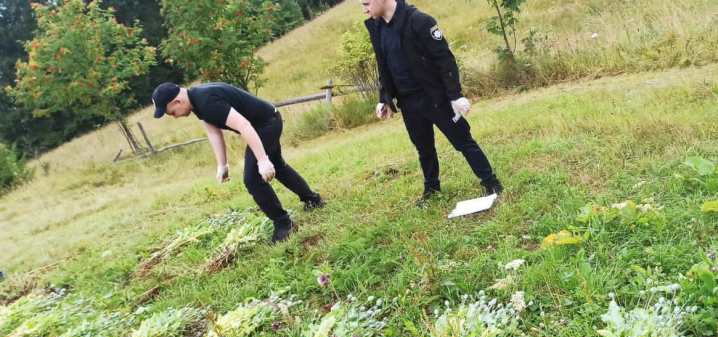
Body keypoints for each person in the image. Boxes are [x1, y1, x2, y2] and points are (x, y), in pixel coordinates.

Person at [361, 0, 503, 206]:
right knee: (423, 148)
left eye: (366, 3)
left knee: (463, 140)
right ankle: (432, 188)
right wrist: (384, 98)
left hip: (435, 98)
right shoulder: (377, 26)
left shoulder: (419, 21)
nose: (364, 10)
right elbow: (384, 64)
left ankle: (491, 183)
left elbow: (444, 59)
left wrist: (455, 95)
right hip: (407, 102)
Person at [151, 82, 324, 243]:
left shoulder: (206, 101)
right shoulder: (196, 100)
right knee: (278, 166)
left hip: (265, 125)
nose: (174, 117)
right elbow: (213, 132)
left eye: (171, 112)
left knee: (252, 179)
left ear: (177, 101)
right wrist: (222, 165)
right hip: (267, 120)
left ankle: (284, 224)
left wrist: (262, 160)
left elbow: (244, 125)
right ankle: (312, 200)